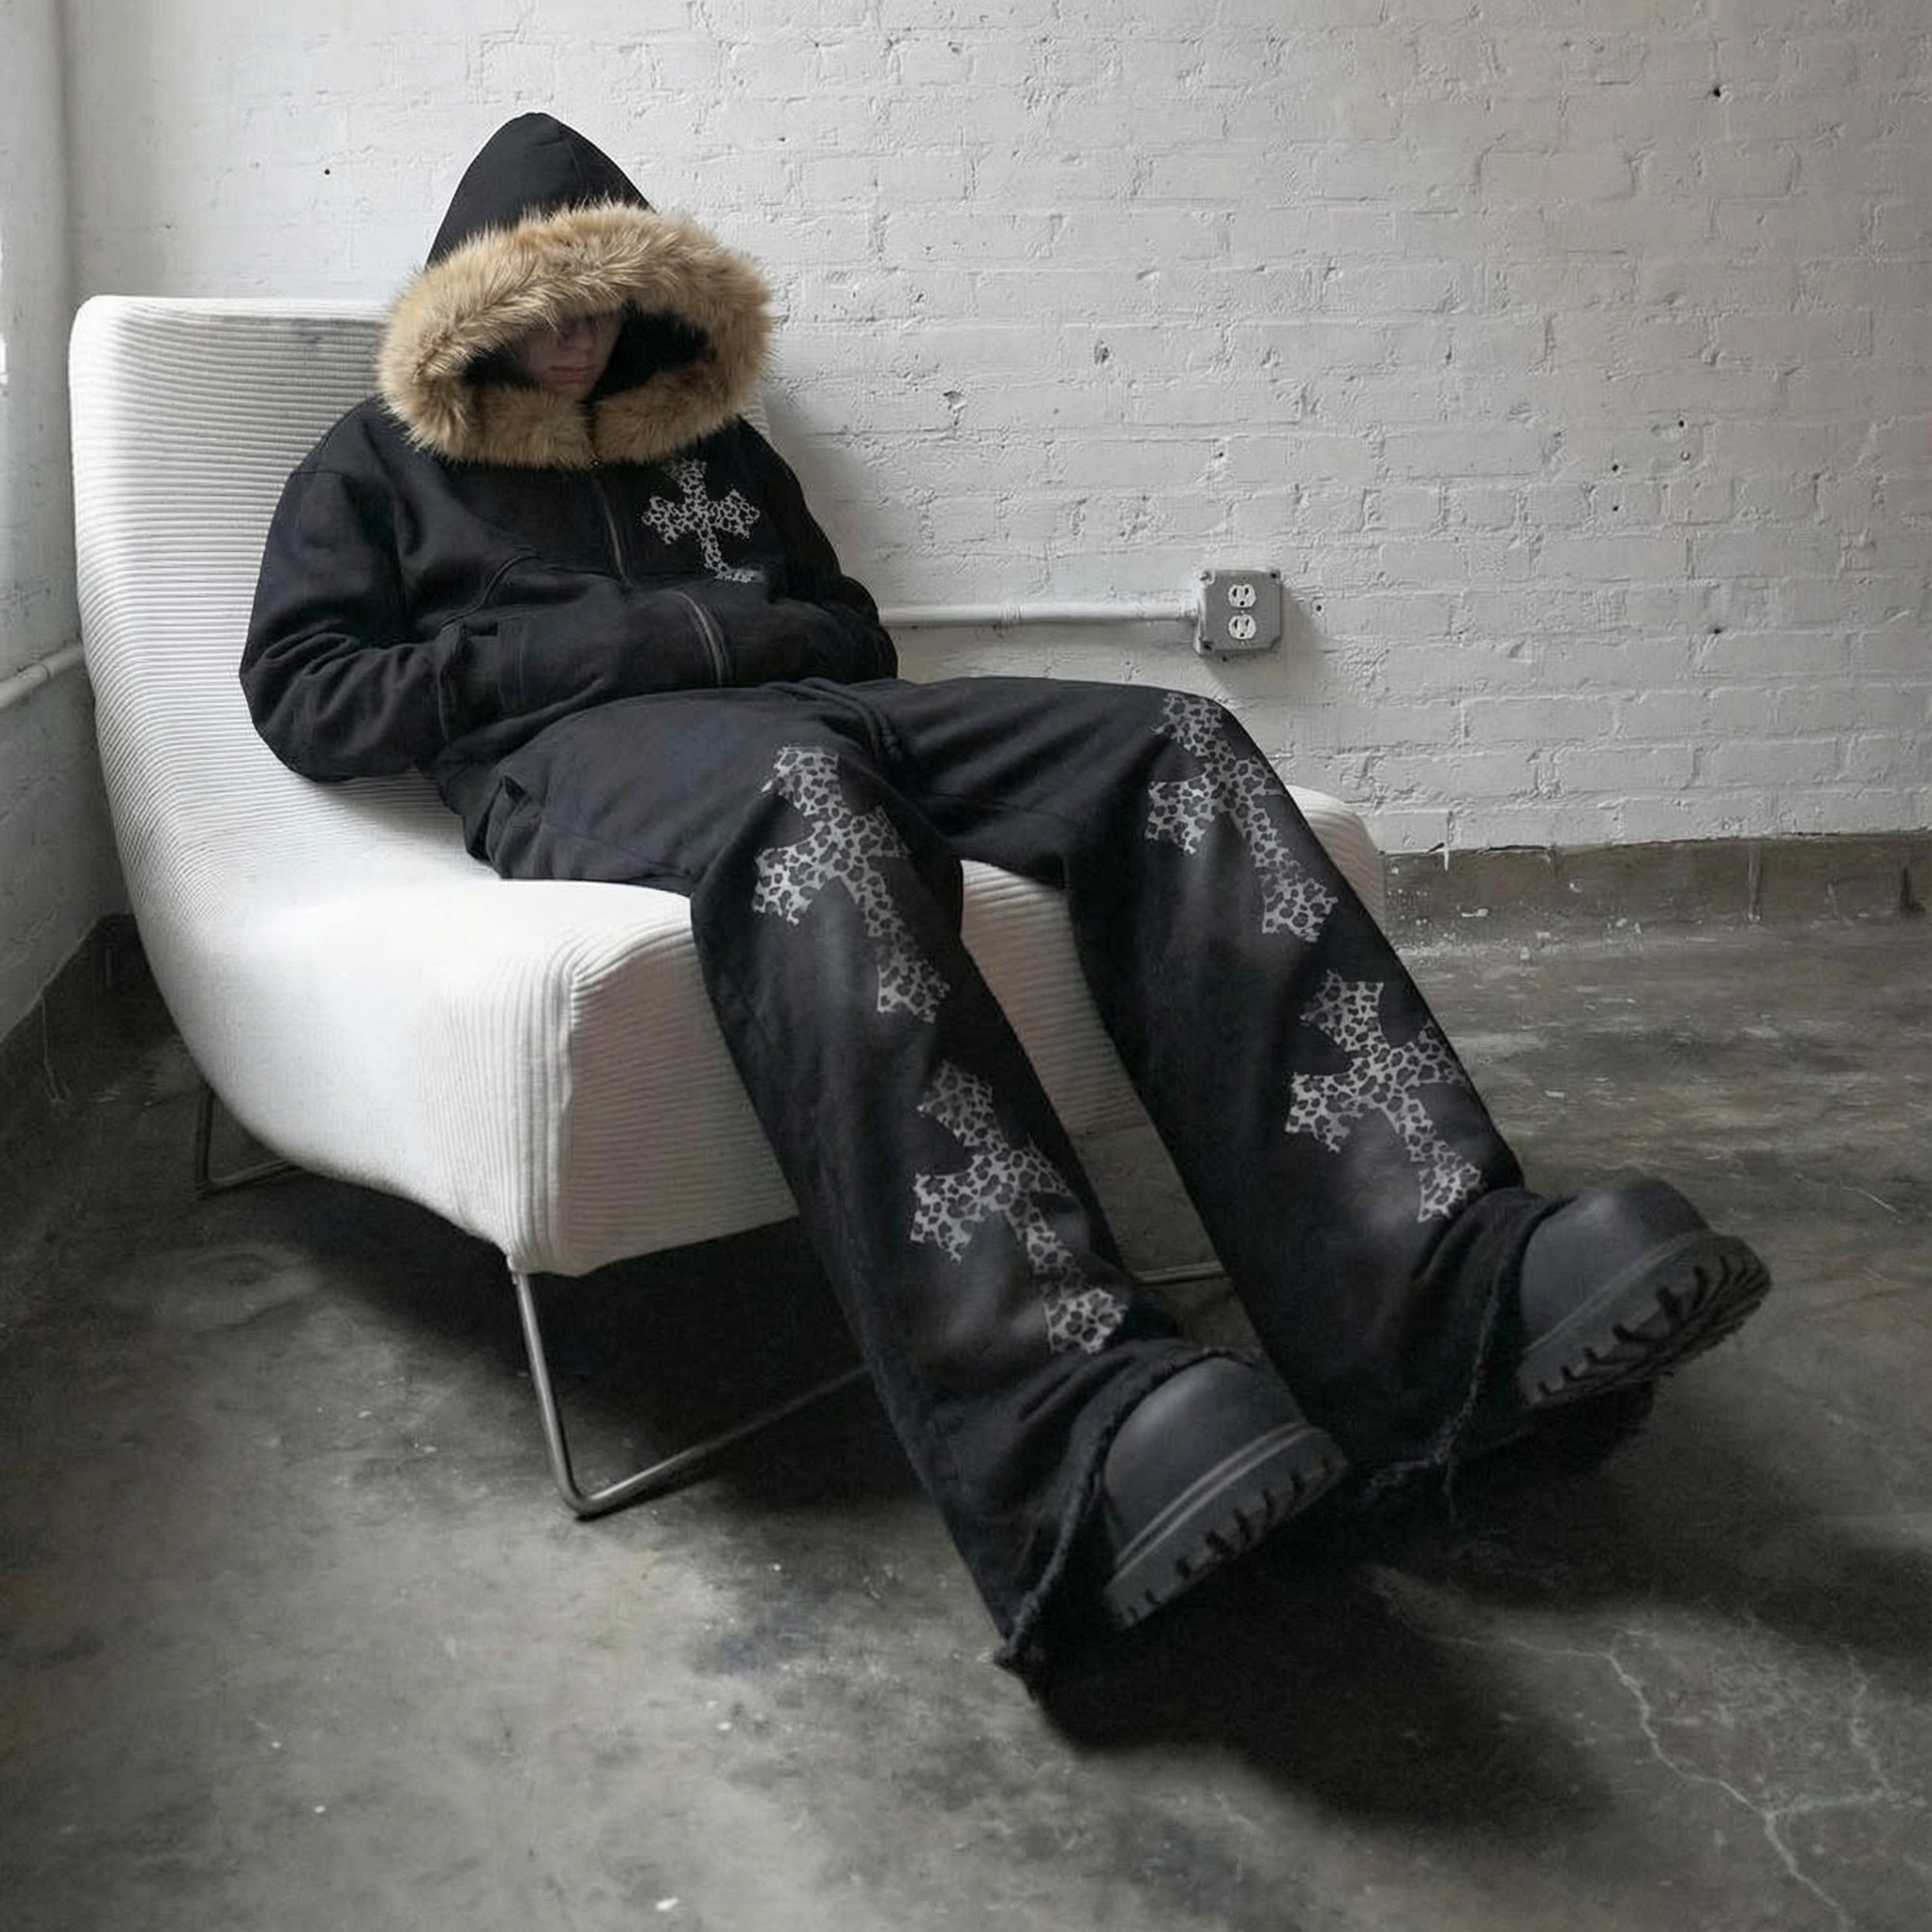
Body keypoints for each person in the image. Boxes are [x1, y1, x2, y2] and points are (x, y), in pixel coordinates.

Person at [242, 114, 1771, 1688]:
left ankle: (1455, 1294)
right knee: (809, 810)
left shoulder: (710, 448)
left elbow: (848, 629)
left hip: (815, 711)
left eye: (607, 305)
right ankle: (1073, 1425)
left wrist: (745, 637)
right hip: (576, 760)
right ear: (470, 305)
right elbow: (304, 690)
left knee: (1171, 741)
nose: (578, 339)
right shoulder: (378, 464)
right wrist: (602, 648)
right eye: (543, 310)